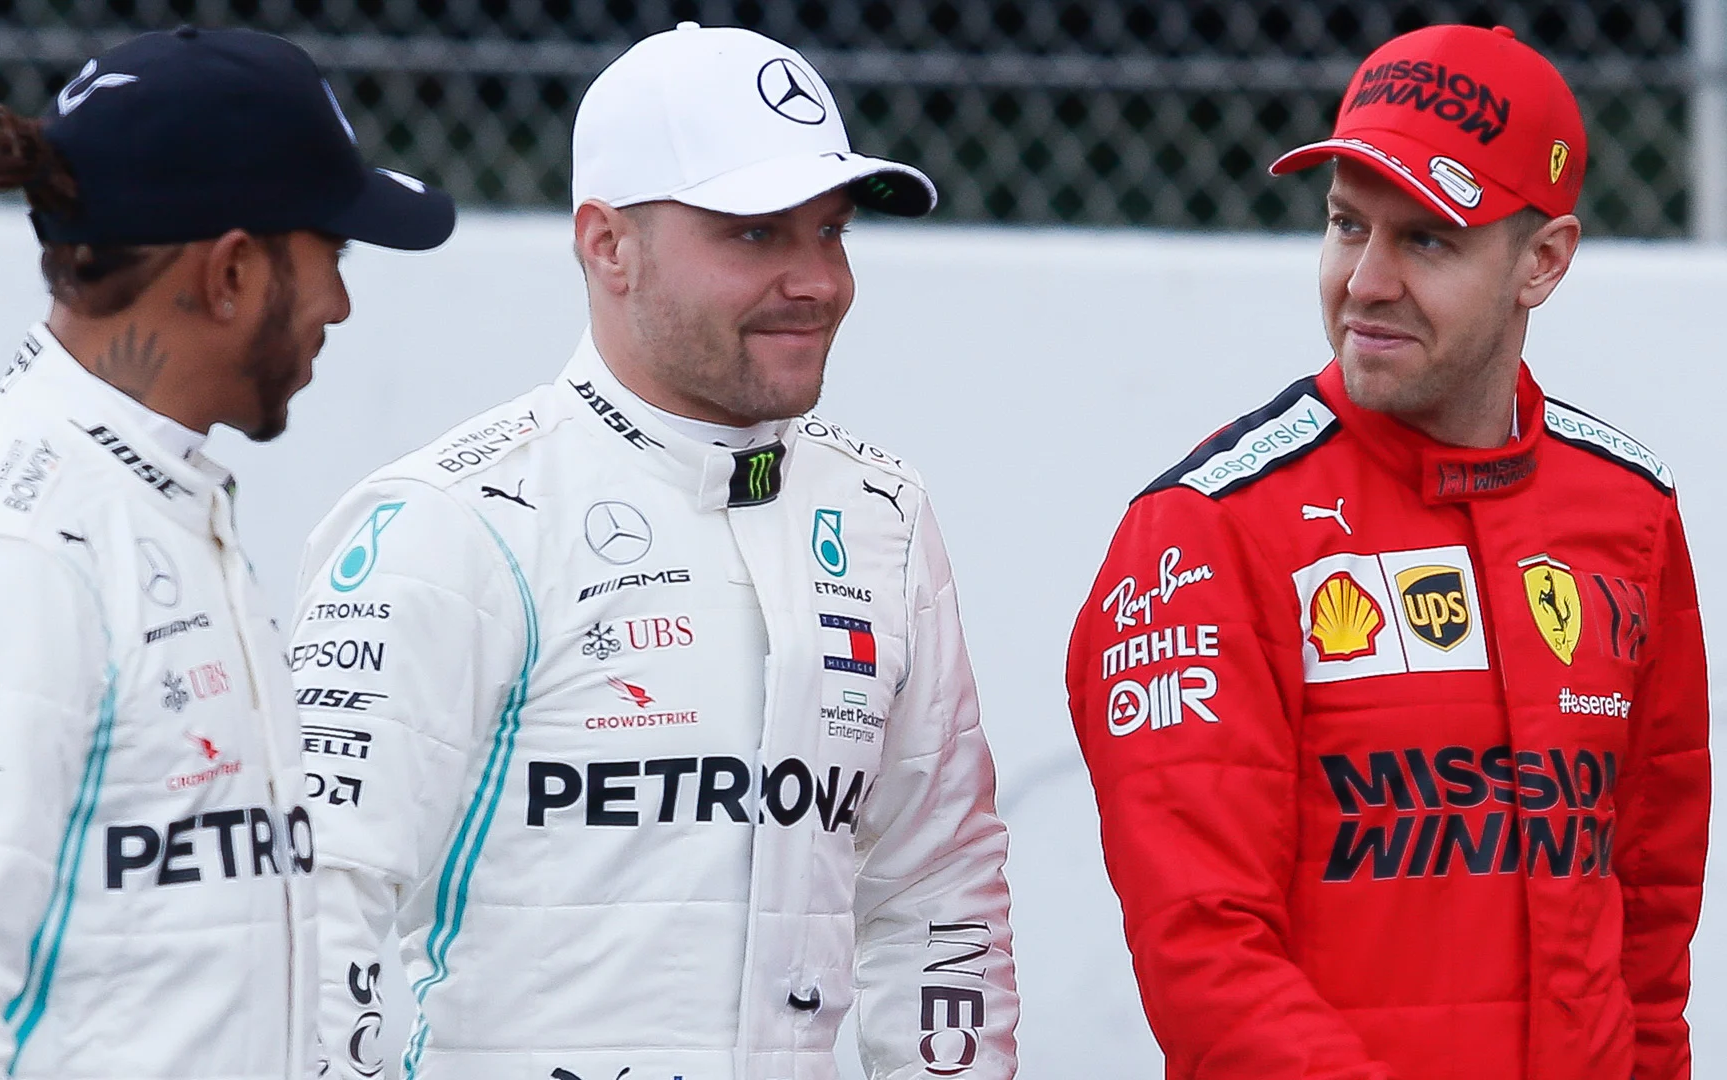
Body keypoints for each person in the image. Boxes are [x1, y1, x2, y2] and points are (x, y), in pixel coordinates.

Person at [292, 22, 1017, 1080]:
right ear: (606, 245)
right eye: (758, 236)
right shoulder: (453, 520)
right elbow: (315, 907)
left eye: (832, 231)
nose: (819, 279)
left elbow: (936, 894)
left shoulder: (884, 516)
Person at [0, 26, 454, 1080]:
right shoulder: (3, 547)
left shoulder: (148, 502)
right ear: (233, 271)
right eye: (332, 252)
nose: (340, 301)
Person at [1066, 23, 1708, 1080]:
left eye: (1427, 240)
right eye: (1345, 225)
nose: (1364, 281)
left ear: (1541, 261)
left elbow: (1650, 920)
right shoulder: (1203, 531)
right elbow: (1205, 954)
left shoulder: (1630, 509)